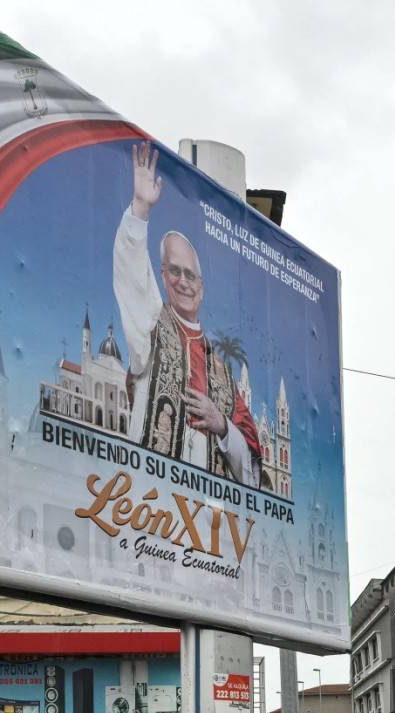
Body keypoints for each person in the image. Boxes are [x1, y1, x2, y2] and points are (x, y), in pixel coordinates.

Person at [114, 141, 263, 483]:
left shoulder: (222, 374)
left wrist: (222, 424)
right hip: (147, 499)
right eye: (174, 271)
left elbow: (252, 473)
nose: (183, 282)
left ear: (202, 286)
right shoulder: (151, 328)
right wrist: (140, 209)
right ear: (163, 276)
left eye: (190, 274)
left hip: (206, 513)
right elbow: (132, 281)